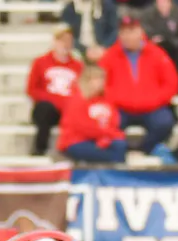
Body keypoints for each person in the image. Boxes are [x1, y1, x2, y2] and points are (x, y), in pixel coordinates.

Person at [99, 17, 178, 156]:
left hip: (152, 108)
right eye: (124, 32)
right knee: (106, 123)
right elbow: (100, 84)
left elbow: (172, 83)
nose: (128, 36)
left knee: (165, 122)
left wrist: (156, 100)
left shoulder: (157, 54)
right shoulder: (110, 56)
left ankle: (144, 150)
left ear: (140, 32)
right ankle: (121, 152)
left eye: (132, 31)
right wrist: (116, 99)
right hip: (120, 108)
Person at [27, 27, 83, 157]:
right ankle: (39, 149)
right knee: (44, 109)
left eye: (68, 40)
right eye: (62, 40)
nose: (65, 44)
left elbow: (81, 92)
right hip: (49, 108)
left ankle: (74, 150)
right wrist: (55, 100)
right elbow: (32, 89)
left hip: (68, 109)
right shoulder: (40, 62)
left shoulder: (78, 66)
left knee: (78, 111)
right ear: (54, 41)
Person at [58, 66, 128, 164]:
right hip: (77, 141)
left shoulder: (107, 99)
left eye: (102, 78)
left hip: (102, 138)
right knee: (114, 156)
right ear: (87, 81)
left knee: (120, 145)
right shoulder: (77, 100)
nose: (100, 82)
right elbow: (83, 127)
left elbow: (114, 121)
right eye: (96, 79)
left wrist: (108, 138)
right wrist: (107, 136)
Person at [139, 0, 178, 84]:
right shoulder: (147, 14)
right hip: (154, 50)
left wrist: (168, 41)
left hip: (175, 52)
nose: (162, 4)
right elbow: (144, 33)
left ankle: (177, 86)